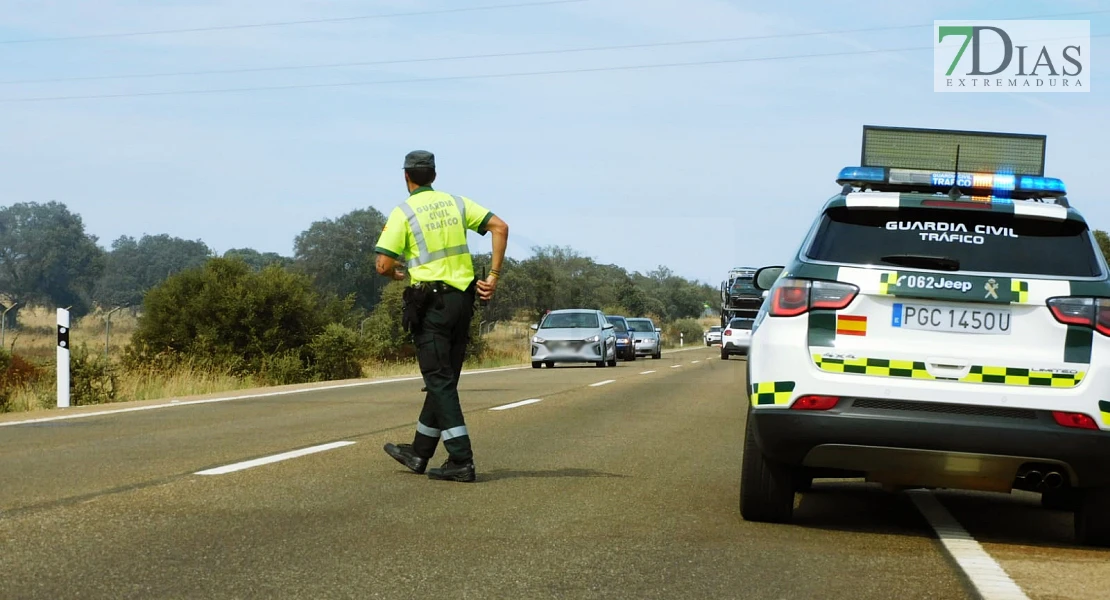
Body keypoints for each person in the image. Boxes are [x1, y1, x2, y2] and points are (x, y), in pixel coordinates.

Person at [374, 150, 509, 482]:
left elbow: (382, 264)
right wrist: (492, 276)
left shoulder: (404, 212)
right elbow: (499, 226)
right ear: (434, 175)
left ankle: (461, 459)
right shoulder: (456, 203)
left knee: (438, 379)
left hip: (431, 304)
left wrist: (395, 275)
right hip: (463, 302)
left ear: (407, 177)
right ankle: (419, 452)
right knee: (444, 378)